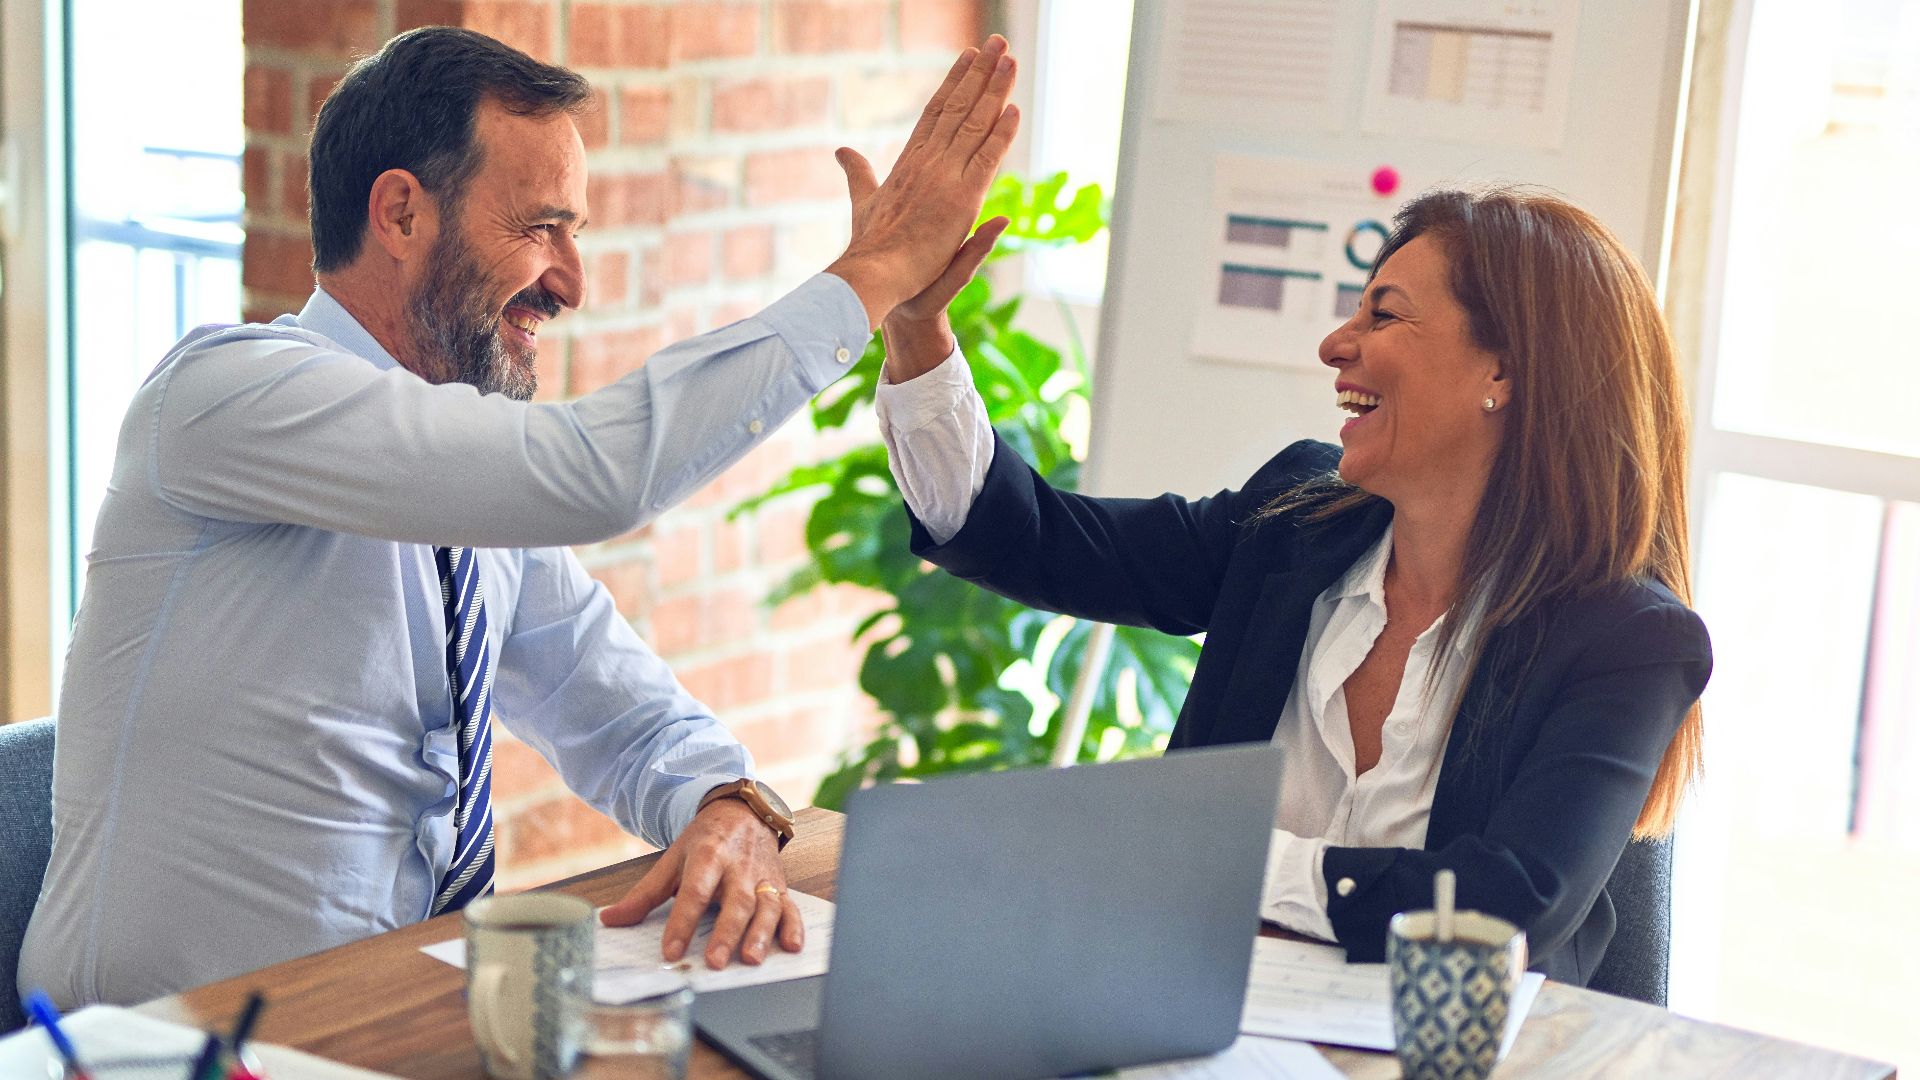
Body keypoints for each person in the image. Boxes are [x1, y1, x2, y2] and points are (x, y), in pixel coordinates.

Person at [20, 26, 1020, 1008]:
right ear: (402, 214)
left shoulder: (469, 488)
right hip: (157, 1047)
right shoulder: (226, 396)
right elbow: (597, 474)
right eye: (542, 226)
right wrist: (873, 276)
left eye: (574, 234)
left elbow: (617, 705)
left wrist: (728, 803)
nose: (572, 283)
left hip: (388, 1022)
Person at [871, 187, 1712, 984]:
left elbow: (1502, 911)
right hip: (1198, 1024)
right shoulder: (1294, 524)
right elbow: (1033, 539)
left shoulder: (1629, 640)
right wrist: (916, 327)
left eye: (1383, 314)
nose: (1336, 344)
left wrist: (1217, 858)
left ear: (1504, 372)